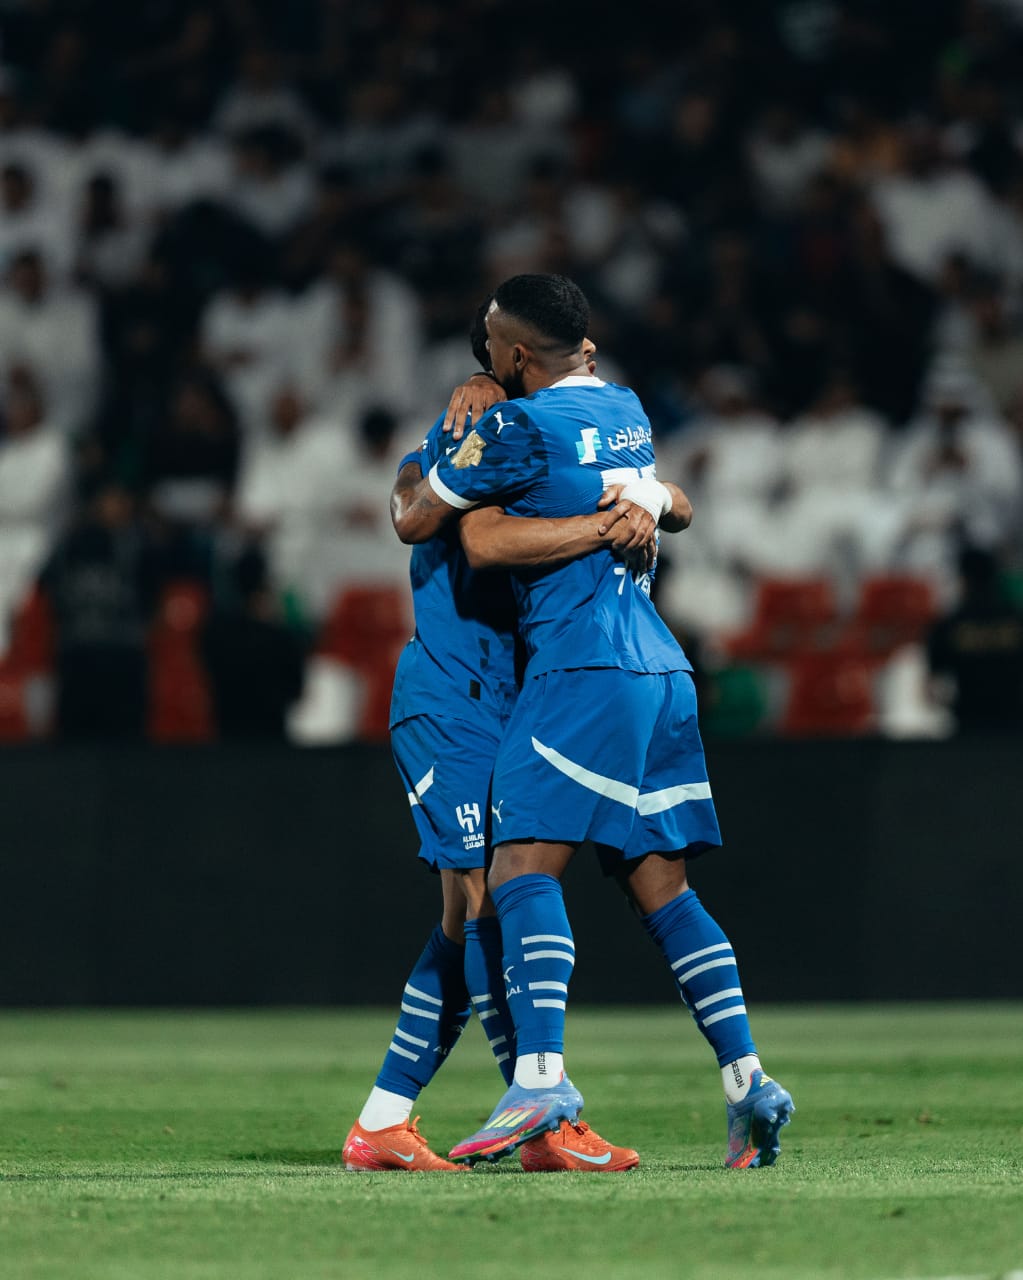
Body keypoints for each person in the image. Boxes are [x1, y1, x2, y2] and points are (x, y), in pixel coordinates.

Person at [394, 273, 794, 1169]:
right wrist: (641, 506)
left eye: (490, 341)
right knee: (664, 889)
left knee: (518, 869)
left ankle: (539, 1079)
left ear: (513, 353)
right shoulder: (624, 408)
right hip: (662, 668)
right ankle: (748, 1083)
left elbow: (449, 530)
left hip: (583, 667)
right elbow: (672, 501)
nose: (482, 351)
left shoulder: (515, 427)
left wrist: (442, 449)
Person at [343, 307, 657, 1173]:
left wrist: (650, 501)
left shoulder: (542, 440)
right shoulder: (470, 438)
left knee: (465, 917)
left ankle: (383, 1122)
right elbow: (412, 513)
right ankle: (540, 1117)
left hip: (515, 700)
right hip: (450, 700)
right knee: (484, 896)